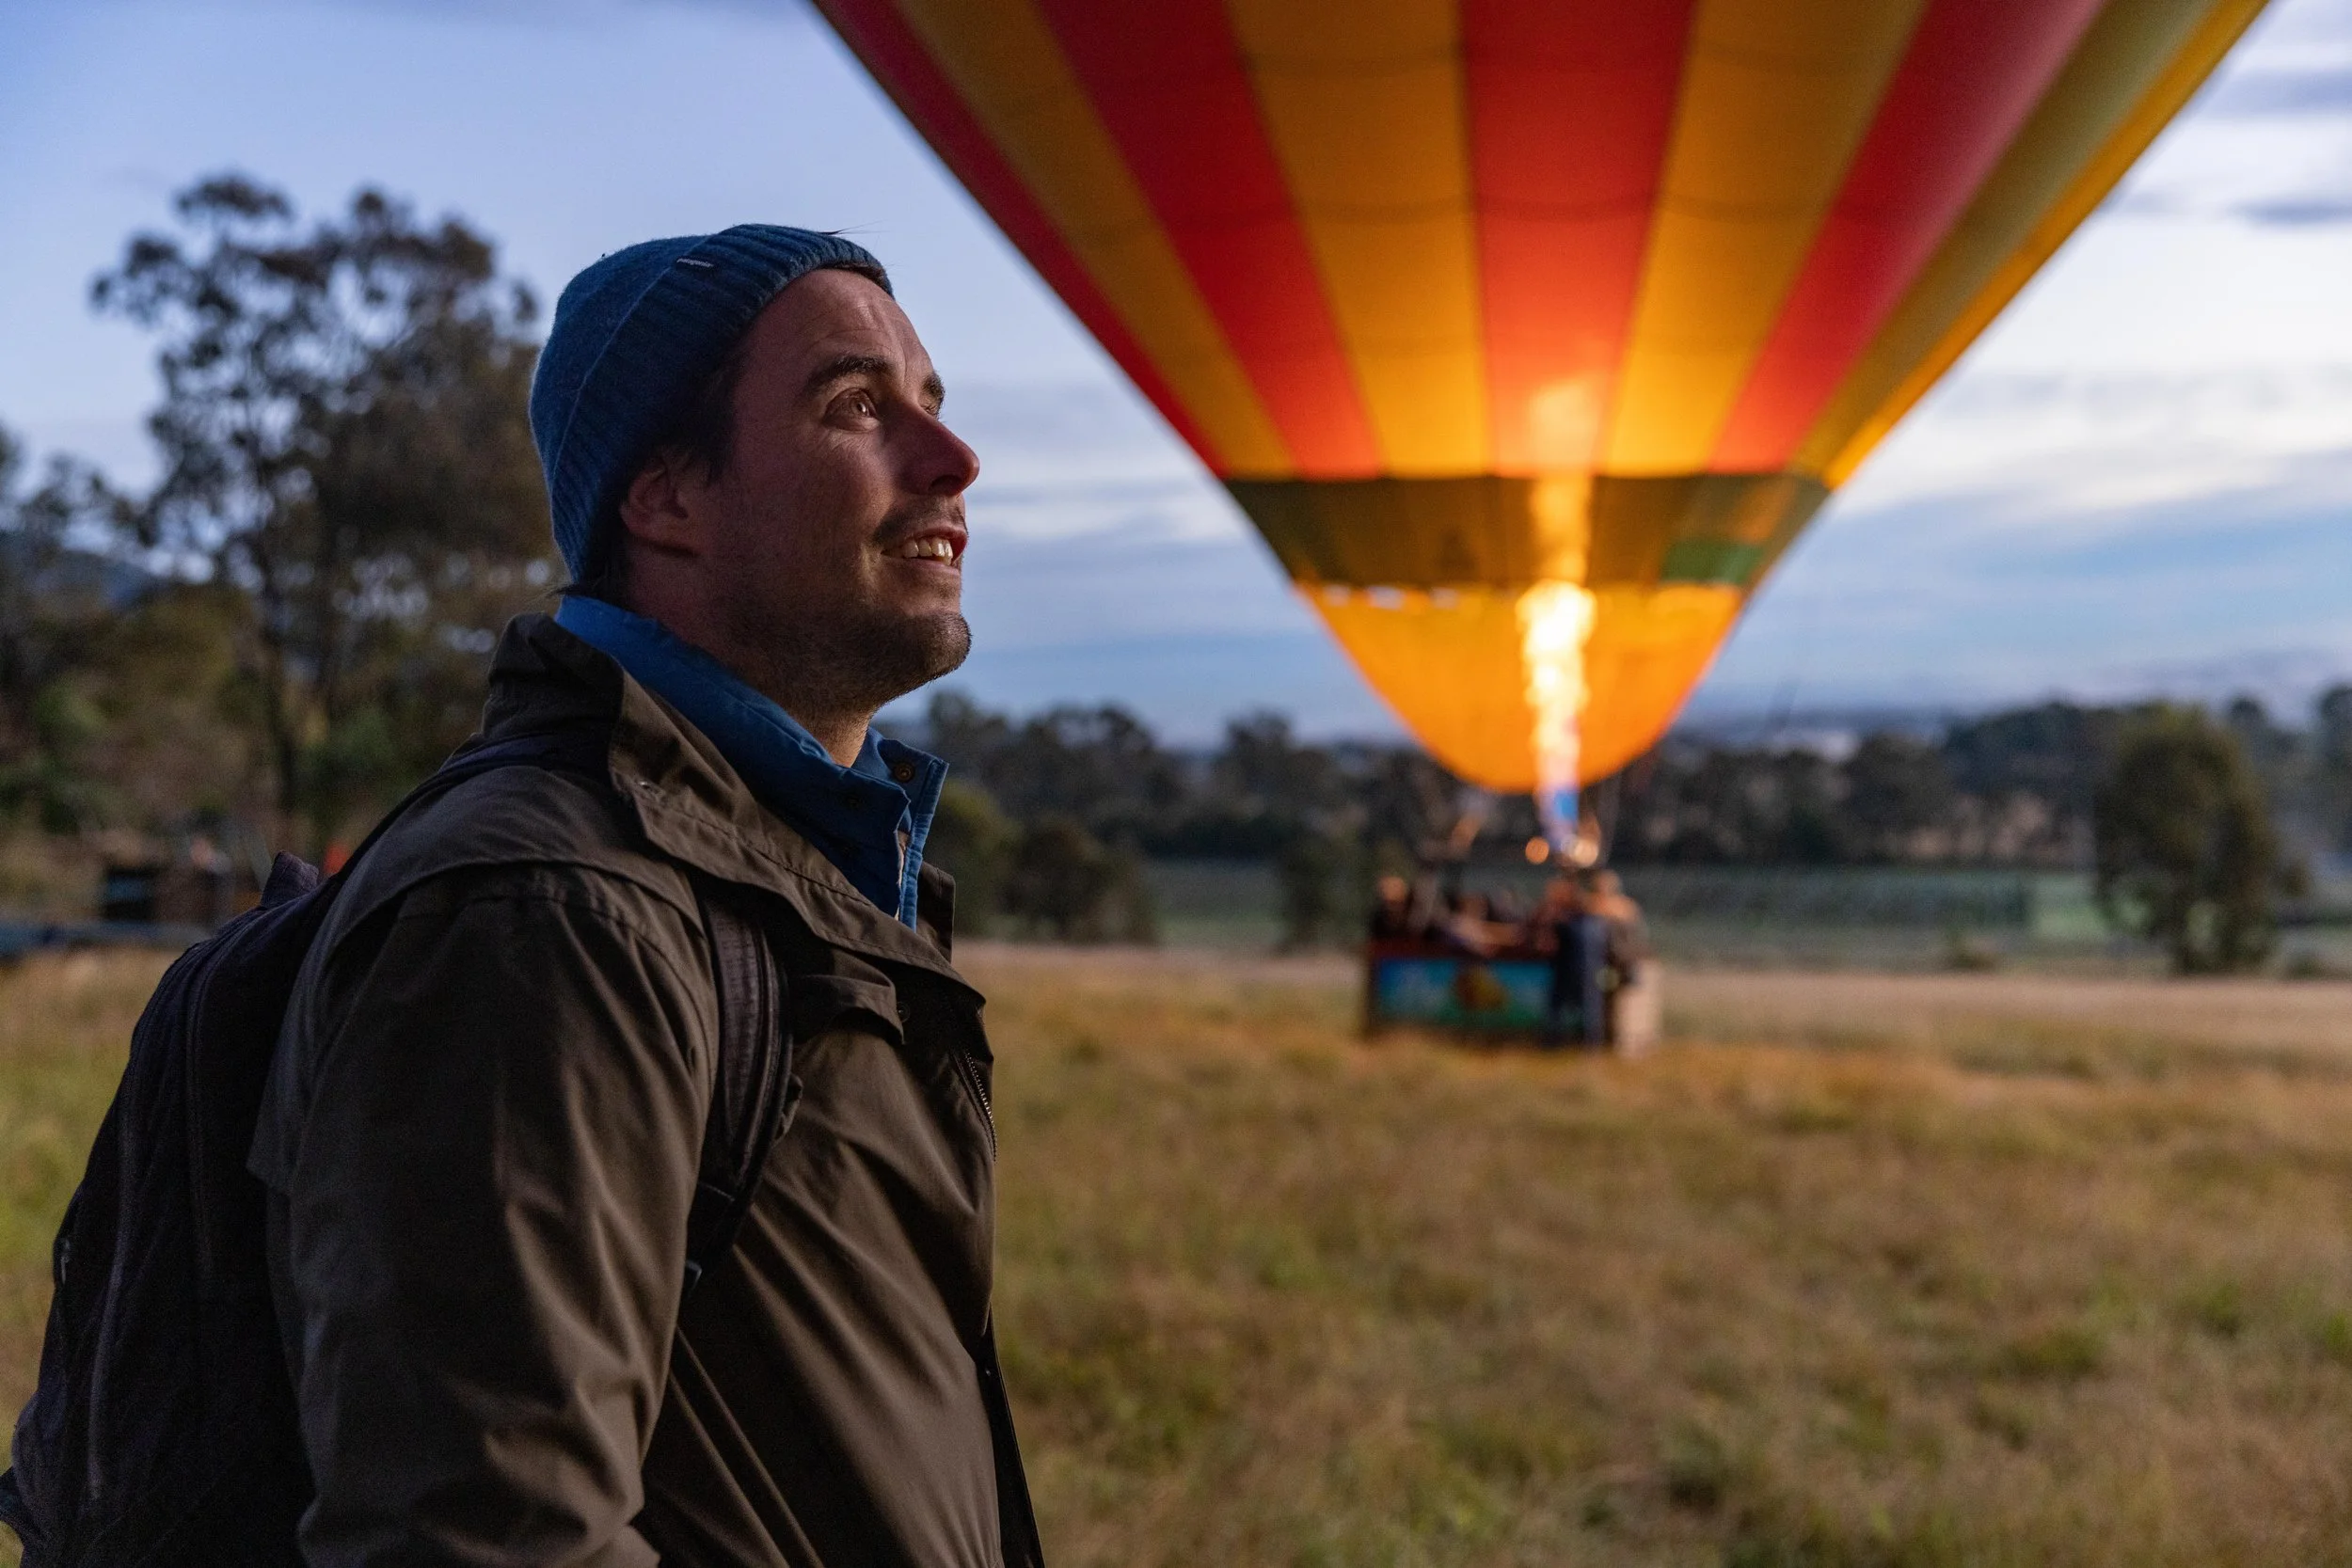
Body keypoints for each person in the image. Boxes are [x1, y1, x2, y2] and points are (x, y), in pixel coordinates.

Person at [247, 227, 1041, 1566]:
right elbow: (486, 1537)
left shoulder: (772, 879)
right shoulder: (551, 907)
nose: (952, 461)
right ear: (665, 496)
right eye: (856, 406)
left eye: (933, 405)